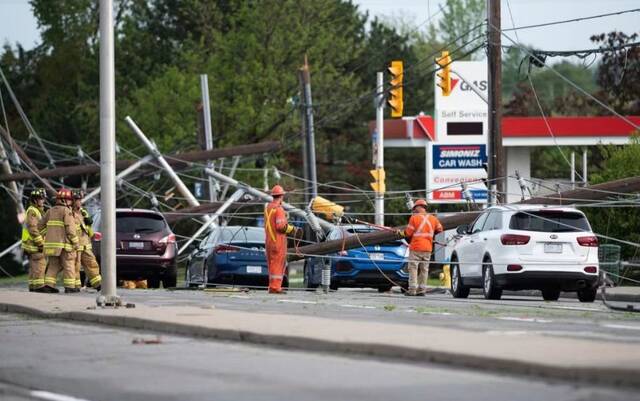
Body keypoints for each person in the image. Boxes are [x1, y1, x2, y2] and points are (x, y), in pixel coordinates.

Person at [398, 199, 443, 296]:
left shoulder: (414, 218)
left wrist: (400, 233)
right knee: (424, 269)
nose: (414, 210)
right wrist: (430, 236)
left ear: (418, 207)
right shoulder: (433, 218)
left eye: (415, 208)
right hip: (428, 248)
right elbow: (440, 229)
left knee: (413, 268)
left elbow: (408, 233)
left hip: (416, 247)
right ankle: (422, 290)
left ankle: (412, 290)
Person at [39, 188, 80, 293]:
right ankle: (70, 287)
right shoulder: (66, 211)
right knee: (69, 264)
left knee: (53, 265)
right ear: (64, 200)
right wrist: (75, 242)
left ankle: (49, 285)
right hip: (64, 245)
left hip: (51, 246)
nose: (71, 202)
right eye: (70, 200)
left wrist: (48, 235)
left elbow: (40, 226)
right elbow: (70, 229)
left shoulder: (50, 211)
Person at [264, 185, 297, 294]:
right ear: (281, 196)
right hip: (277, 241)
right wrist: (292, 229)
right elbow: (281, 227)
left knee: (272, 264)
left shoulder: (268, 208)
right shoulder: (279, 209)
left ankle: (272, 286)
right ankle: (275, 287)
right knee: (278, 264)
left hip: (269, 241)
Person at [72, 190, 102, 291]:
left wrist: (91, 234)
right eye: (77, 200)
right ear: (72, 201)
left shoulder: (82, 211)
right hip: (76, 245)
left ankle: (98, 284)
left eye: (80, 200)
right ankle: (76, 286)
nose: (79, 202)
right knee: (76, 267)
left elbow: (87, 226)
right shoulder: (68, 213)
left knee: (92, 264)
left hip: (85, 244)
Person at [21, 188, 50, 292]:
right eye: (41, 199)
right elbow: (33, 229)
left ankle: (33, 286)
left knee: (34, 265)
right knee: (40, 264)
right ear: (34, 200)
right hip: (34, 244)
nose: (43, 201)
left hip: (31, 244)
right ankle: (39, 286)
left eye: (43, 198)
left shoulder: (37, 210)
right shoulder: (33, 211)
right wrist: (41, 243)